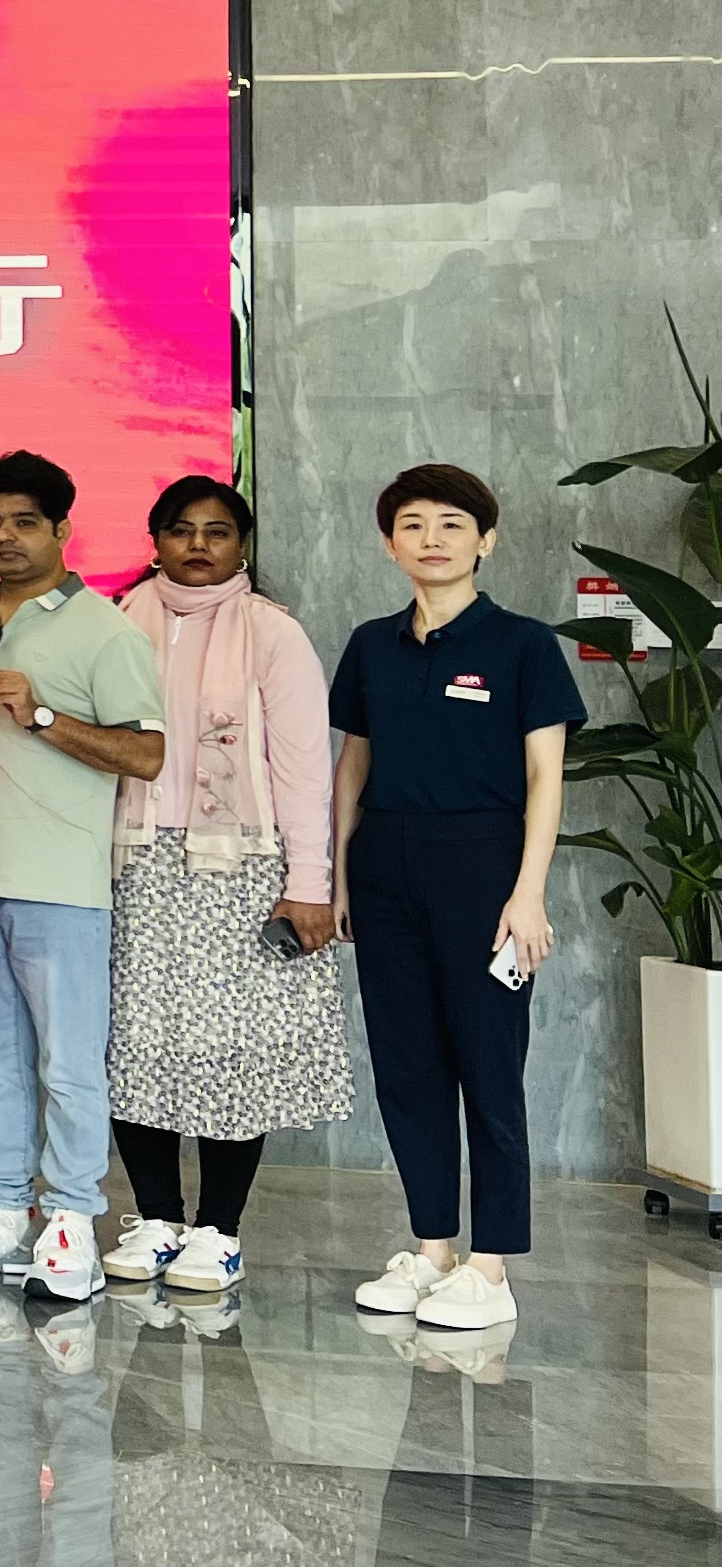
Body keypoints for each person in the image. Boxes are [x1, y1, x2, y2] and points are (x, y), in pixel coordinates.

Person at [333, 463, 579, 1335]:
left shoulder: (523, 645)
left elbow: (546, 777)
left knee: (489, 1066)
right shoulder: (371, 645)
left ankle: (491, 1263)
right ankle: (433, 1248)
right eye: (412, 524)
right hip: (386, 862)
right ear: (388, 543)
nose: (431, 538)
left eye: (451, 523)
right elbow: (354, 765)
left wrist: (528, 894)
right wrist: (340, 875)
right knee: (407, 1068)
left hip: (484, 865)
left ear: (486, 540)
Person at [0, 451, 166, 1303]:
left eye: (25, 522)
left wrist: (43, 714)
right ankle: (0, 1207)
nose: (6, 538)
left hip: (60, 880)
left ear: (62, 529)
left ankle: (71, 1217)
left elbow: (147, 753)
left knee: (69, 1065)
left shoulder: (106, 630)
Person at [98, 475, 347, 1295]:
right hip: (132, 866)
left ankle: (219, 1231)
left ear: (242, 546)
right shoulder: (117, 621)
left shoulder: (273, 632)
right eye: (181, 530)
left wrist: (308, 883)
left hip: (241, 871)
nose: (198, 546)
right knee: (135, 1045)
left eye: (217, 532)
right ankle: (157, 1219)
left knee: (229, 1051)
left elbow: (304, 770)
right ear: (155, 541)